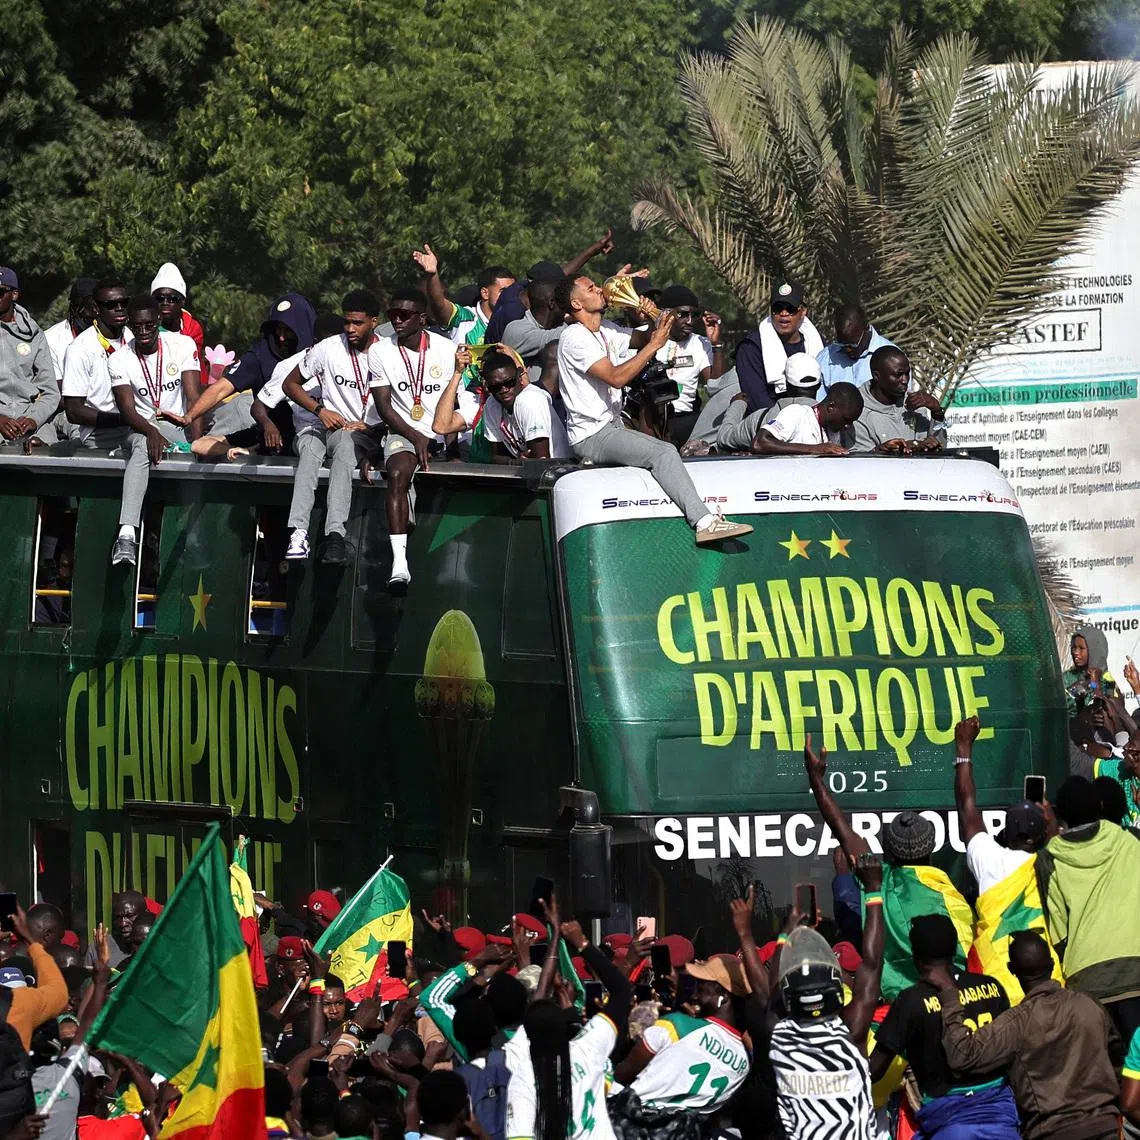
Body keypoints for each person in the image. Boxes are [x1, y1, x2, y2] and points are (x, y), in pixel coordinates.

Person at [553, 275, 752, 546]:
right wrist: (654, 344)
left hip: (610, 428)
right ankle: (704, 523)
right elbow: (616, 377)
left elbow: (648, 335)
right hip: (592, 435)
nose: (599, 289)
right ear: (576, 303)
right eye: (590, 288)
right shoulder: (574, 338)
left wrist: (654, 315)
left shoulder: (606, 330)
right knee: (664, 451)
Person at [931, 930, 1122, 1140]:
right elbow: (1117, 1058)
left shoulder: (1016, 1023)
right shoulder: (1088, 1004)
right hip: (1106, 1126)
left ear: (1012, 970)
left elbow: (961, 1055)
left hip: (1053, 1132)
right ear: (1051, 964)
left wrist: (949, 994)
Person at [868, 914, 1019, 1139]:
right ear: (953, 949)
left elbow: (874, 1070)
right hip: (1001, 1117)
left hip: (948, 1121)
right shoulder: (991, 987)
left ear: (915, 956)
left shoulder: (910, 1001)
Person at [769, 853, 885, 1140]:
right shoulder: (851, 1031)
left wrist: (786, 933)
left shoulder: (779, 1037)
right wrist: (873, 891)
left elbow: (770, 992)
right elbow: (872, 963)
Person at [951, 716, 1062, 1001]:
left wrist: (964, 748)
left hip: (996, 984)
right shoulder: (1056, 865)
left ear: (1004, 833)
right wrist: (1049, 821)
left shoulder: (989, 859)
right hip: (1048, 986)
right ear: (1044, 835)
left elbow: (967, 808)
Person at [505, 901, 631, 1140]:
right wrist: (581, 942)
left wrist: (528, 965)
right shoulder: (589, 1048)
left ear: (526, 1031)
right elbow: (622, 991)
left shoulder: (520, 1068)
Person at [366, 288, 462, 590]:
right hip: (403, 431)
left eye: (404, 315)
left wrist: (452, 446)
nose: (396, 320)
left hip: (440, 430)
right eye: (392, 314)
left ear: (422, 318)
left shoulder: (448, 349)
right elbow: (383, 406)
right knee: (396, 472)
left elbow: (455, 401)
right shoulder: (380, 350)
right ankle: (399, 564)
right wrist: (415, 435)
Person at [282, 290, 384, 564]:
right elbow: (289, 384)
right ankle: (298, 531)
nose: (350, 329)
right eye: (347, 322)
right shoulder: (328, 348)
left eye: (357, 323)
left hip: (369, 435)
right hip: (330, 429)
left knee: (345, 447)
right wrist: (319, 410)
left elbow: (401, 401)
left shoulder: (388, 351)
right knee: (310, 448)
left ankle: (335, 535)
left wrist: (376, 425)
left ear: (374, 321)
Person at [1038, 775, 1140, 1039]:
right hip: (1135, 973)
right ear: (1099, 808)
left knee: (1101, 1072)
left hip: (1086, 981)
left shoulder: (1049, 859)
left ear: (1060, 816)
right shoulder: (1131, 839)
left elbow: (1059, 932)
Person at [108, 297, 201, 566]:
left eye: (149, 324)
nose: (144, 331)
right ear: (130, 326)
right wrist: (149, 431)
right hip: (140, 427)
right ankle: (126, 536)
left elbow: (194, 397)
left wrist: (196, 442)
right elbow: (127, 410)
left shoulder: (182, 344)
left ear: (159, 321)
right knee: (140, 446)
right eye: (137, 326)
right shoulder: (119, 359)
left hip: (177, 426)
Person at [177, 292, 317, 454]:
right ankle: (247, 453)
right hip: (269, 435)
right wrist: (190, 416)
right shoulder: (260, 356)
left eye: (288, 331)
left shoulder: (320, 353)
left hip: (310, 434)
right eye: (278, 329)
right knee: (200, 445)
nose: (281, 338)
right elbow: (220, 389)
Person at [433, 349, 571, 462]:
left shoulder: (530, 399)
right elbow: (440, 426)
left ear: (519, 375)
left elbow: (541, 460)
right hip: (520, 473)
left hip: (555, 471)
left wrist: (518, 463)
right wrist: (458, 373)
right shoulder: (491, 403)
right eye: (495, 386)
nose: (504, 389)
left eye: (509, 382)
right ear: (486, 384)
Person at [651, 285, 727, 446]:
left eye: (695, 315)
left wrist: (716, 345)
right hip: (650, 419)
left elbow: (717, 387)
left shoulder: (700, 343)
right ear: (666, 313)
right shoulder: (643, 336)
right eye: (683, 314)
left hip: (685, 419)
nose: (690, 321)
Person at [61, 279, 133, 444]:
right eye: (111, 304)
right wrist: (124, 419)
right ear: (95, 308)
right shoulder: (80, 348)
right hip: (100, 433)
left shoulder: (133, 338)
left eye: (124, 302)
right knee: (145, 444)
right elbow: (74, 411)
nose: (120, 308)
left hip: (136, 425)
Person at [734, 281, 824, 413]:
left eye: (790, 308)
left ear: (803, 311)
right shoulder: (751, 348)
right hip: (769, 424)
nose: (784, 313)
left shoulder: (816, 344)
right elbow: (757, 401)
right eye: (778, 308)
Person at [720, 379, 862, 456]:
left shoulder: (836, 431)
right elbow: (759, 443)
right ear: (831, 407)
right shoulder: (797, 414)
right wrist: (817, 449)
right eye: (847, 419)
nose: (848, 426)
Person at [0, 267, 59, 447]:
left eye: (0, 292)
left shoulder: (34, 335)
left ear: (14, 294)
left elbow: (50, 391)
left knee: (46, 449)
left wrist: (33, 419)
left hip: (29, 415)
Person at [851, 347, 945, 453]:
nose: (905, 380)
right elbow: (859, 460)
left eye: (907, 373)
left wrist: (937, 413)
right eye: (898, 375)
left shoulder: (915, 403)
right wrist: (884, 450)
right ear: (877, 376)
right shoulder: (857, 410)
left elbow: (941, 448)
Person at [414, 248, 515, 348]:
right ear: (485, 293)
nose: (510, 296)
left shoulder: (516, 322)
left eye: (512, 291)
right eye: (503, 291)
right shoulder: (464, 318)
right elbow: (439, 305)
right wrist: (433, 274)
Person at [501, 280, 565, 388]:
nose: (567, 306)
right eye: (563, 301)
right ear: (551, 303)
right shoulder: (515, 329)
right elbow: (553, 338)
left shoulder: (557, 326)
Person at [816, 304, 896, 391]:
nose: (847, 349)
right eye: (842, 344)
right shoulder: (825, 358)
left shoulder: (893, 358)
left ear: (866, 329)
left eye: (853, 344)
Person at [44, 278, 98, 380]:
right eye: (90, 316)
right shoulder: (51, 340)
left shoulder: (123, 335)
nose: (96, 314)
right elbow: (55, 389)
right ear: (73, 308)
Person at [150, 263, 205, 359]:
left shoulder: (193, 329)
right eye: (159, 298)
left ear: (182, 301)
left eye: (172, 298)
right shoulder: (144, 329)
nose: (165, 303)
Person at [86, 891, 146, 969]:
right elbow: (88, 980)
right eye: (118, 917)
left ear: (145, 914)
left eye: (129, 916)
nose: (123, 923)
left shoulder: (157, 945)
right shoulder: (98, 949)